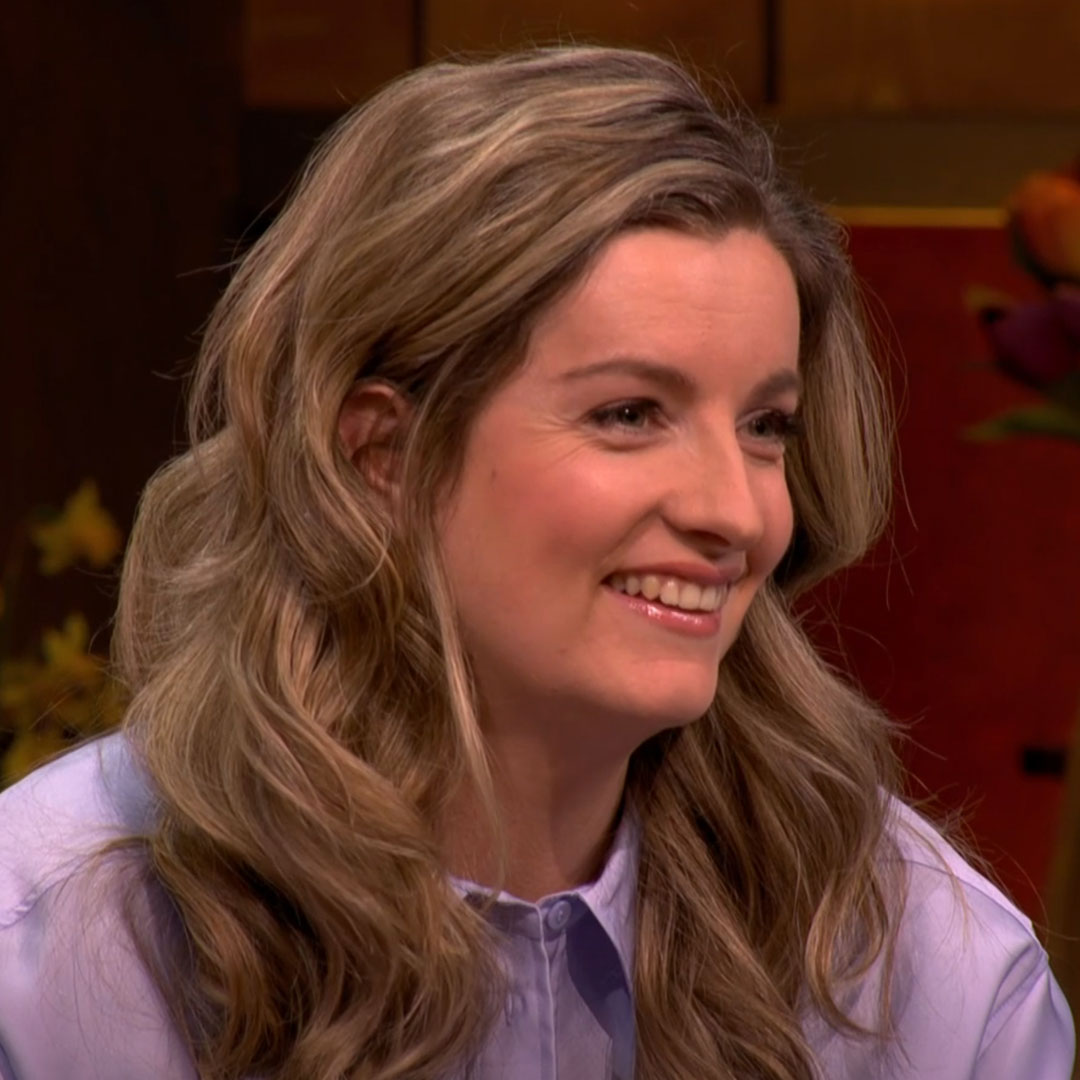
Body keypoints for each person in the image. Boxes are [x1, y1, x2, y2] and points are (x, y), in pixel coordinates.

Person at [0, 45, 1072, 1080]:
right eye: (629, 414)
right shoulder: (45, 962)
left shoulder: (933, 978)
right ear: (381, 456)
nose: (735, 512)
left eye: (765, 426)